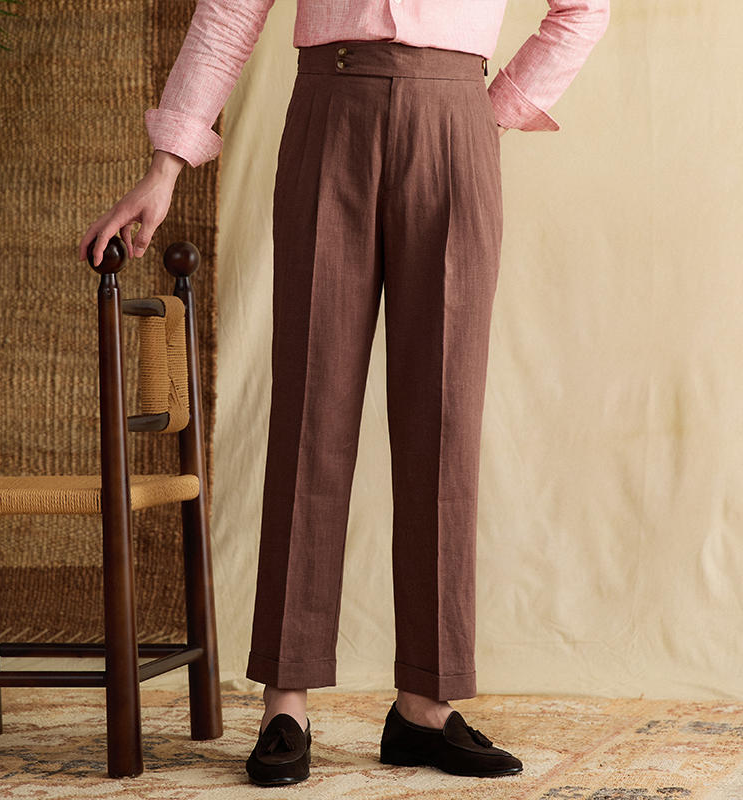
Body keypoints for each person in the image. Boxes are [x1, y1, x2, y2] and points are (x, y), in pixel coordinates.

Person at [79, 0, 610, 786]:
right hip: (330, 111)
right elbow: (230, 11)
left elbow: (585, 7)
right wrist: (166, 166)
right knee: (310, 412)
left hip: (456, 118)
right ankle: (285, 701)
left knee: (444, 422)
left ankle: (426, 703)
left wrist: (491, 110)